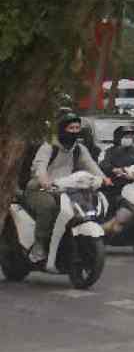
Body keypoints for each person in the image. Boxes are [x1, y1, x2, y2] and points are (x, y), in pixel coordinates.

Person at [24, 111, 105, 264]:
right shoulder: (49, 146)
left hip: (66, 189)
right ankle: (40, 245)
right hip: (40, 189)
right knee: (48, 208)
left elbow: (91, 165)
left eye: (77, 128)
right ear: (62, 129)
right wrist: (44, 180)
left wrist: (103, 178)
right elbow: (39, 167)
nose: (75, 132)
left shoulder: (79, 149)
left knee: (84, 207)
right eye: (71, 128)